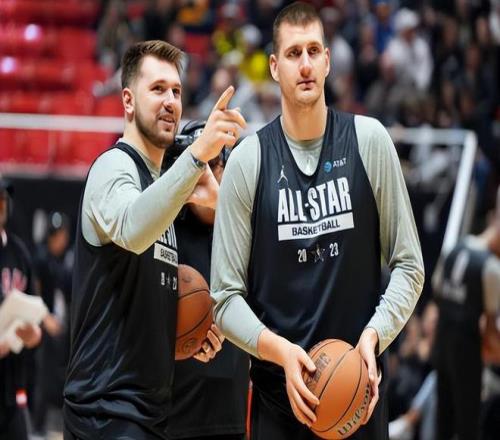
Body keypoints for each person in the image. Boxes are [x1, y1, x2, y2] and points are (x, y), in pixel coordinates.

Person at [211, 3, 424, 440]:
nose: (305, 65)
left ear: (328, 60)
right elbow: (225, 298)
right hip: (278, 401)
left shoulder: (370, 141)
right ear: (274, 67)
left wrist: (374, 336)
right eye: (293, 54)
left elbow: (410, 265)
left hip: (357, 397)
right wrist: (281, 352)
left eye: (313, 51)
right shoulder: (249, 160)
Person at [63, 40, 246, 440]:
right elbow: (132, 229)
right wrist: (196, 156)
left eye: (176, 91)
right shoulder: (114, 167)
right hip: (105, 410)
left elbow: (144, 297)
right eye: (158, 89)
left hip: (148, 412)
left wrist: (192, 330)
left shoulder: (161, 188)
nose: (170, 101)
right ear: (128, 101)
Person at [164, 134, 249, 440]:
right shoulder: (164, 229)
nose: (205, 175)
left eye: (213, 164)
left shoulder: (245, 231)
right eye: (196, 165)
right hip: (171, 412)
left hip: (230, 411)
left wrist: (230, 325)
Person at [432, 186, 500, 440]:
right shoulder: (491, 268)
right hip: (466, 352)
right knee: (468, 429)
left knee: (443, 425)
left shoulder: (455, 248)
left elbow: (437, 290)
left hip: (442, 345)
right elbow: (490, 331)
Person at [0, 175, 42, 440]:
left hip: (11, 389)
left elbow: (35, 314)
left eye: (3, 200)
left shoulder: (19, 252)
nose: (1, 205)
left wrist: (33, 335)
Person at [32, 212, 72, 437]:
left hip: (60, 326)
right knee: (41, 375)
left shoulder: (64, 261)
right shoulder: (40, 258)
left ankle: (55, 422)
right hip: (42, 325)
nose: (61, 239)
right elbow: (34, 291)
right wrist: (45, 318)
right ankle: (36, 426)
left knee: (59, 374)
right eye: (57, 235)